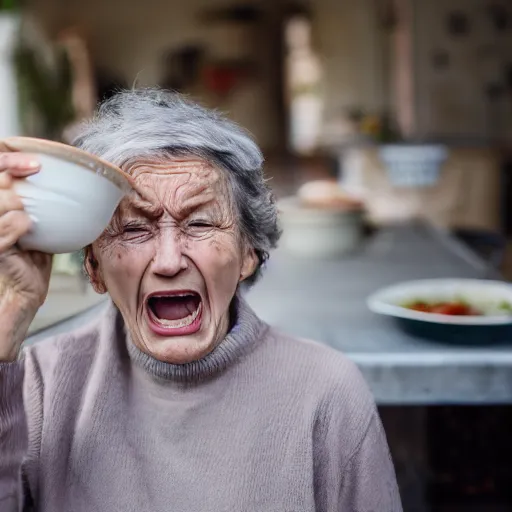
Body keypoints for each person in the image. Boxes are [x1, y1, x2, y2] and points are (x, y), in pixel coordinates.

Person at [0, 89, 402, 511]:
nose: (169, 261)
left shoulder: (326, 393)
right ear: (95, 268)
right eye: (136, 229)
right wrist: (8, 323)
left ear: (249, 253)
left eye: (201, 222)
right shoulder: (42, 384)